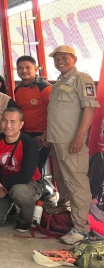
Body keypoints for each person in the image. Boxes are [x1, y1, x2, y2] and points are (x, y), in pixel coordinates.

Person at [46, 45, 100, 244]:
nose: (60, 61)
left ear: (74, 59)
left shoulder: (81, 78)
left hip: (71, 142)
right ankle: (66, 212)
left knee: (77, 184)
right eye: (57, 58)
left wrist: (79, 137)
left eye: (64, 58)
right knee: (63, 181)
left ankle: (81, 228)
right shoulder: (60, 81)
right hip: (57, 140)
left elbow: (89, 109)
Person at [0, 108, 43, 233]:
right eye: (4, 121)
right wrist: (0, 185)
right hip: (4, 182)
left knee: (18, 190)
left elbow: (25, 176)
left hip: (29, 183)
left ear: (21, 124)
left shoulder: (28, 143)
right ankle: (11, 206)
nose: (8, 126)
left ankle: (26, 219)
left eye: (13, 122)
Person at [15, 55, 52, 170]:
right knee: (22, 166)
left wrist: (45, 135)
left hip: (41, 135)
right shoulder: (18, 89)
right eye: (20, 68)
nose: (24, 70)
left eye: (28, 67)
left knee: (35, 169)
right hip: (23, 134)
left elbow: (55, 114)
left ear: (35, 69)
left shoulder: (45, 88)